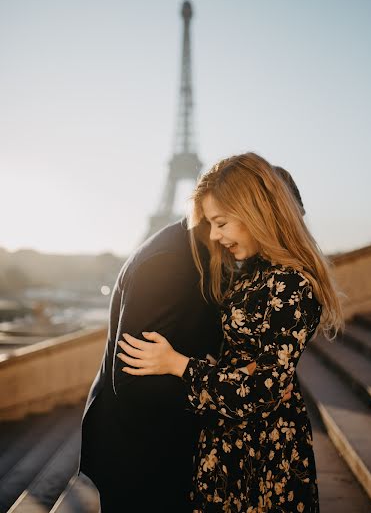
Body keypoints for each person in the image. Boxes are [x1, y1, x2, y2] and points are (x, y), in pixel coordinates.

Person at [118, 152, 343, 512]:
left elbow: (259, 392)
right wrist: (228, 369)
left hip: (260, 453)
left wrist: (179, 365)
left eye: (221, 222)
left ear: (255, 212)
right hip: (229, 438)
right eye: (210, 223)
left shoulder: (291, 285)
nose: (215, 235)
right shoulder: (256, 270)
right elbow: (247, 367)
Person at [79, 219, 223, 512]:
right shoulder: (168, 261)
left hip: (145, 446)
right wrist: (219, 395)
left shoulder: (188, 249)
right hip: (139, 453)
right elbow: (134, 381)